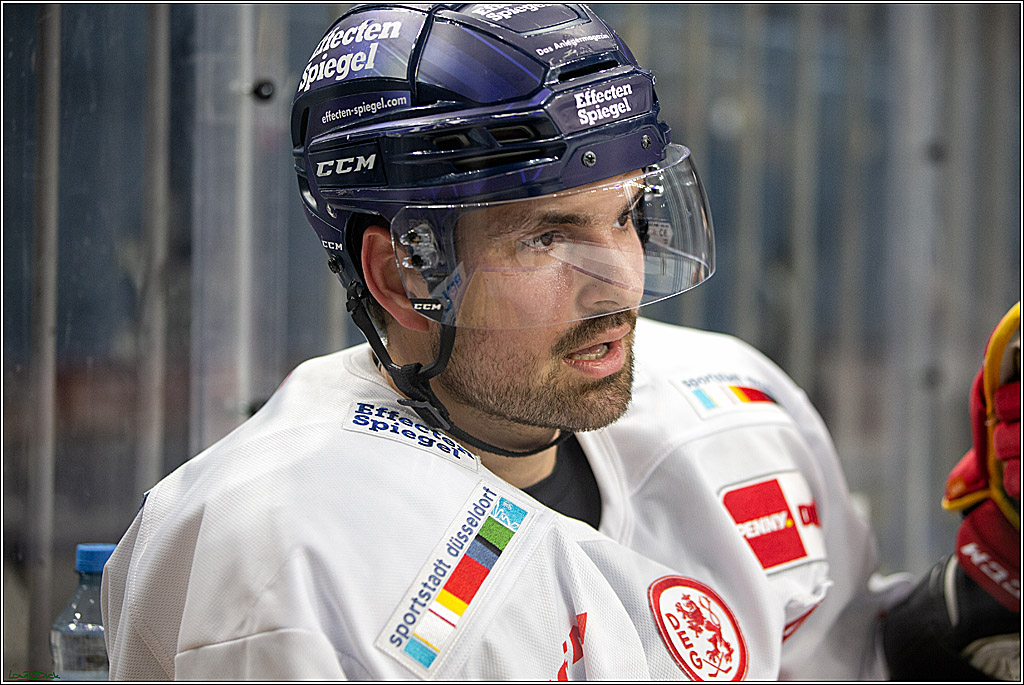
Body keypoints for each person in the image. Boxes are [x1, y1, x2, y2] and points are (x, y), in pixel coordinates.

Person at [101, 4, 1019, 680]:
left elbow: (840, 660)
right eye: (547, 236)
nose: (620, 282)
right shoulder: (282, 549)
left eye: (625, 216)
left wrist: (978, 604)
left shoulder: (736, 405)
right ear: (403, 272)